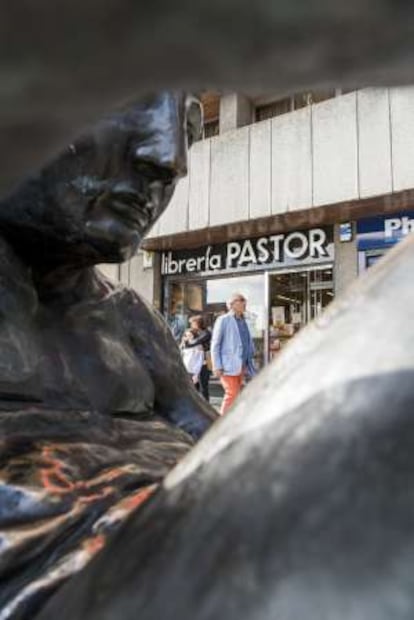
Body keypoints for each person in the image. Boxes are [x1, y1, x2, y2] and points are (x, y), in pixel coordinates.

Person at [0, 92, 217, 619]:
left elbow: (233, 456)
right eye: (127, 96)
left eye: (187, 126)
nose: (171, 160)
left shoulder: (127, 320)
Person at [211, 292, 256, 415]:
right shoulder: (223, 320)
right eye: (241, 300)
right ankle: (221, 422)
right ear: (232, 304)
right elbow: (215, 344)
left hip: (242, 364)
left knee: (237, 394)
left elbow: (246, 340)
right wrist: (217, 366)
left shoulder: (244, 320)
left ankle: (233, 419)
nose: (244, 302)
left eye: (244, 300)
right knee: (232, 393)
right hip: (227, 365)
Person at [182, 315, 212, 401]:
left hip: (204, 363)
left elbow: (195, 342)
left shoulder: (206, 333)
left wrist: (187, 343)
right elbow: (186, 344)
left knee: (203, 386)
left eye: (193, 323)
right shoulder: (193, 332)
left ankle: (206, 405)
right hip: (193, 363)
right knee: (194, 386)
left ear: (198, 323)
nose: (191, 325)